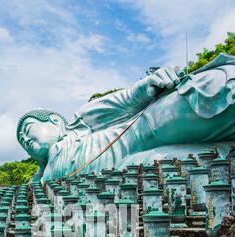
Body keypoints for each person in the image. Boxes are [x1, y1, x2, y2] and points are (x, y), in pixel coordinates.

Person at [17, 54, 235, 182]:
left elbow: (120, 102)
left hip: (141, 130)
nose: (25, 141)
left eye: (27, 131)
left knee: (205, 96)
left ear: (55, 121)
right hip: (129, 167)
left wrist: (144, 88)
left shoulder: (79, 125)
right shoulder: (42, 177)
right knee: (203, 158)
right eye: (22, 143)